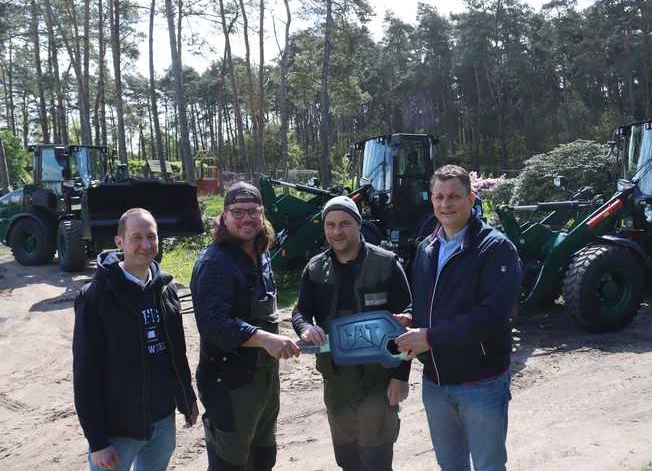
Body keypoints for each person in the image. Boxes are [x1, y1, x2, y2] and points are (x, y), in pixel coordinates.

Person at [395, 165, 521, 471]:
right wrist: (412, 318)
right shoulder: (427, 248)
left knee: (488, 465)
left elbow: (492, 316)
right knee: (450, 465)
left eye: (454, 196)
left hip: (481, 382)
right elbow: (426, 303)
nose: (445, 204)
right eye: (439, 196)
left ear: (471, 197)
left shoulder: (495, 248)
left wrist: (429, 337)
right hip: (436, 383)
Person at [292, 195, 412, 471]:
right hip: (336, 380)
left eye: (345, 223)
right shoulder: (314, 269)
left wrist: (400, 376)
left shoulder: (386, 264)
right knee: (347, 459)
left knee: (376, 460)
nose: (337, 231)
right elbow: (300, 311)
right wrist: (306, 327)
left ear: (359, 225)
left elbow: (408, 317)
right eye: (330, 225)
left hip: (379, 379)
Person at [73, 208, 198, 471]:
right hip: (117, 430)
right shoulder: (96, 297)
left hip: (162, 422)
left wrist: (187, 399)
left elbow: (177, 353)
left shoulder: (166, 290)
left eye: (151, 237)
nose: (145, 245)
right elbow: (85, 372)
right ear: (119, 242)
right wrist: (96, 441)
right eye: (136, 237)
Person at [191, 182, 300, 471]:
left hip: (264, 380)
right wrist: (263, 338)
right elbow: (214, 323)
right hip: (229, 384)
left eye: (253, 211)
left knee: (263, 457)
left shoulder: (261, 254)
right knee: (231, 464)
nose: (246, 218)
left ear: (262, 214)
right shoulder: (215, 262)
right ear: (224, 217)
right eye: (237, 212)